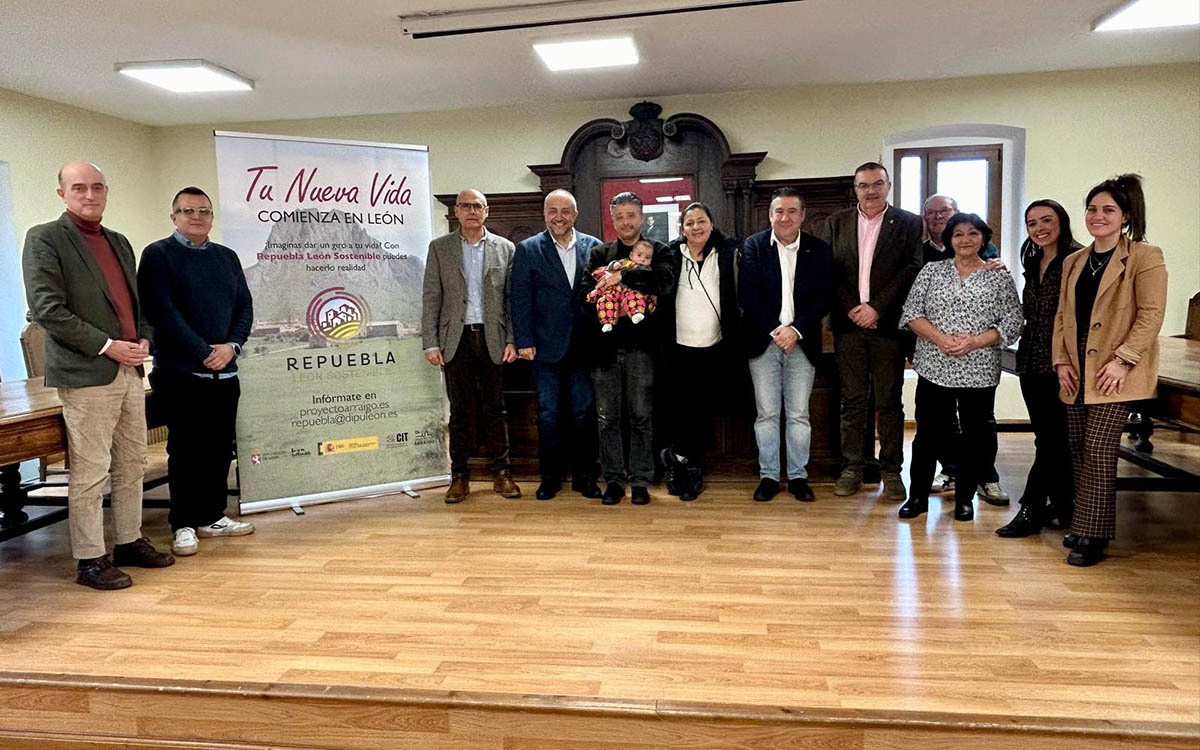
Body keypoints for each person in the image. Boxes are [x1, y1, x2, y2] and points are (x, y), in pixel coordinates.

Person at [22, 161, 174, 589]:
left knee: (132, 462)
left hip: (130, 368)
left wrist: (143, 338)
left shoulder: (118, 241)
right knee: (91, 470)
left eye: (97, 187)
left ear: (106, 191)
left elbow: (135, 303)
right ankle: (90, 559)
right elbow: (48, 309)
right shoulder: (45, 238)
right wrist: (107, 345)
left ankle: (128, 540)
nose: (89, 195)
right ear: (62, 194)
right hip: (86, 372)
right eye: (79, 188)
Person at [1052, 174, 1167, 566]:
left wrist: (1123, 360)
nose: (1097, 216)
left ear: (1126, 216)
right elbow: (1062, 316)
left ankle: (1093, 535)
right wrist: (1061, 360)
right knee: (1077, 447)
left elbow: (1151, 315)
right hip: (1076, 366)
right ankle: (1084, 522)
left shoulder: (1144, 256)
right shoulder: (1074, 261)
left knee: (1099, 449)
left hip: (1116, 368)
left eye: (1108, 210)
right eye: (1092, 209)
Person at [137, 186, 255, 557]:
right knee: (186, 451)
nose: (197, 217)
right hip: (180, 374)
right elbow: (163, 312)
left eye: (204, 211)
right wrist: (203, 352)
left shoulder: (226, 257)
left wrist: (232, 346)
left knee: (219, 450)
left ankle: (212, 516)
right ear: (174, 216)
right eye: (188, 211)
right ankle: (183, 524)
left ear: (212, 217)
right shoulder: (158, 255)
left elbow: (244, 306)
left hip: (225, 373)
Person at [898, 213, 1022, 521]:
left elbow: (1013, 321)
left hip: (979, 368)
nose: (966, 239)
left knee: (975, 436)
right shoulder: (932, 271)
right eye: (958, 234)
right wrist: (941, 340)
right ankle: (917, 497)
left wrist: (975, 342)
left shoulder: (998, 276)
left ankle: (965, 498)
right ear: (948, 240)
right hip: (934, 365)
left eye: (973, 233)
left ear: (983, 238)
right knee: (927, 434)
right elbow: (911, 313)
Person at [826, 162, 923, 501]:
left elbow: (911, 268)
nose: (871, 191)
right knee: (852, 401)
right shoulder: (836, 223)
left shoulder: (909, 222)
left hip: (888, 327)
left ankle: (891, 470)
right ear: (855, 189)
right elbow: (829, 272)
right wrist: (853, 308)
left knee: (889, 401)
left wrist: (876, 307)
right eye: (863, 185)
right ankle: (852, 467)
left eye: (877, 184)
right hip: (848, 326)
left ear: (888, 185)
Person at [420, 189, 521, 504]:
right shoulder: (440, 248)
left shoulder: (505, 248)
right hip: (455, 340)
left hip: (494, 338)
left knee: (496, 409)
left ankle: (502, 473)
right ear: (457, 211)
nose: (472, 211)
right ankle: (460, 476)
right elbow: (431, 297)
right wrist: (430, 342)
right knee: (460, 412)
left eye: (478, 206)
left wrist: (512, 339)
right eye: (466, 206)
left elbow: (511, 299)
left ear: (486, 211)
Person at [738, 188, 832, 502]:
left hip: (802, 343)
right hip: (763, 342)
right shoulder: (754, 246)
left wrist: (796, 330)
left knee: (799, 414)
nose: (785, 217)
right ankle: (768, 476)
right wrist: (777, 331)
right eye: (779, 211)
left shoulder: (818, 249)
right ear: (770, 215)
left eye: (792, 211)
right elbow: (747, 295)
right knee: (766, 414)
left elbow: (824, 297)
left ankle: (797, 477)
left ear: (802, 216)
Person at [996, 199, 1082, 538]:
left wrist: (1068, 360)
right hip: (1030, 360)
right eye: (1032, 223)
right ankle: (1064, 505)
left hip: (1063, 362)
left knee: (1053, 439)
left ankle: (1031, 509)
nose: (1039, 228)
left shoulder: (1078, 259)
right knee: (1048, 437)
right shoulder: (1032, 260)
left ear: (1062, 221)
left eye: (1046, 220)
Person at [581, 192, 672, 506]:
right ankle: (614, 480)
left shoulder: (658, 250)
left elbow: (662, 283)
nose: (625, 222)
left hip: (642, 349)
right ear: (612, 219)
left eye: (631, 215)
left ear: (642, 217)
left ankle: (641, 480)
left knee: (641, 417)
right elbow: (585, 294)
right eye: (619, 216)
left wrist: (622, 275)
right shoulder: (599, 253)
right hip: (604, 349)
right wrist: (616, 307)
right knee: (607, 418)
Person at [511, 190, 602, 500]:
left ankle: (585, 478)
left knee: (583, 413)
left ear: (575, 214)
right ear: (544, 213)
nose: (559, 217)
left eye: (565, 211)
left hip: (583, 345)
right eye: (553, 210)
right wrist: (524, 341)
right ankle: (550, 478)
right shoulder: (528, 249)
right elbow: (520, 298)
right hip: (544, 347)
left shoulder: (594, 247)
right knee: (548, 414)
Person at [921, 194, 1009, 504]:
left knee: (980, 422)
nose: (937, 216)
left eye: (944, 211)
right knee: (942, 421)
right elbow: (914, 306)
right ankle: (953, 470)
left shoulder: (988, 257)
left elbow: (1009, 314)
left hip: (978, 358)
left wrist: (973, 341)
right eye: (931, 212)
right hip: (936, 354)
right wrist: (934, 341)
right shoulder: (923, 254)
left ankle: (986, 476)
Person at [657, 202, 740, 501]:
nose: (696, 227)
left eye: (701, 221)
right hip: (677, 348)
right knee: (679, 410)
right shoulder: (669, 254)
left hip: (714, 346)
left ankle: (690, 465)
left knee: (703, 411)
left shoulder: (728, 252)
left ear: (711, 223)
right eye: (689, 222)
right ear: (682, 228)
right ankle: (680, 464)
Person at [586, 239, 657, 332]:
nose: (642, 259)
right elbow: (611, 267)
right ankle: (607, 322)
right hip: (614, 290)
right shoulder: (625, 262)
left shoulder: (646, 270)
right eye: (639, 255)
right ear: (631, 255)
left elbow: (647, 280)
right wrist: (615, 265)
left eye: (647, 258)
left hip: (629, 292)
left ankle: (636, 313)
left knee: (636, 296)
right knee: (606, 299)